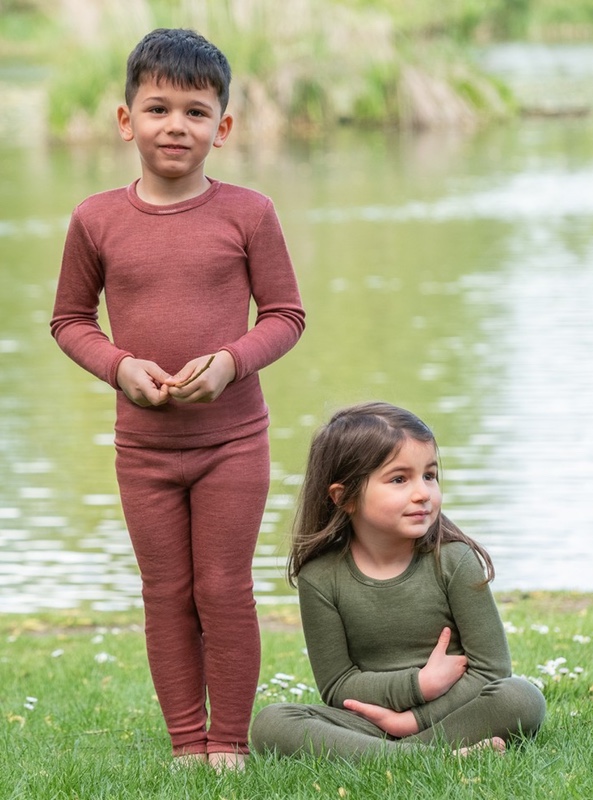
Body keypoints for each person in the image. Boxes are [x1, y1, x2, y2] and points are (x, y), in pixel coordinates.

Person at [50, 28, 305, 770]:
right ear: (126, 120)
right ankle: (186, 745)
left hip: (234, 444)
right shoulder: (96, 219)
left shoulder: (248, 213)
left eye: (196, 112)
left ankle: (229, 741)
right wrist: (118, 366)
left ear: (222, 128)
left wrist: (232, 361)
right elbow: (70, 321)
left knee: (223, 589)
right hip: (144, 450)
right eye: (158, 108)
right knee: (166, 592)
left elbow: (285, 316)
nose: (176, 126)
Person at [251, 402, 545, 759]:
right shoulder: (321, 578)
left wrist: (413, 720)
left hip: (452, 712)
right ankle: (427, 757)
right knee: (273, 722)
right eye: (399, 479)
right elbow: (337, 685)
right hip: (368, 722)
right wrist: (417, 685)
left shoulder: (454, 560)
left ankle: (399, 752)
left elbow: (491, 671)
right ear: (344, 497)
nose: (423, 493)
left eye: (430, 475)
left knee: (520, 696)